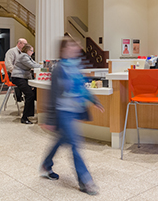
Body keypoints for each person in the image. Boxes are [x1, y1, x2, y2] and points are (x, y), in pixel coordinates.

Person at [40, 37, 105, 195]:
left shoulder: (75, 67)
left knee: (62, 139)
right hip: (63, 111)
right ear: (63, 50)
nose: (74, 48)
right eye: (70, 46)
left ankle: (46, 164)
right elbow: (53, 94)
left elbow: (81, 87)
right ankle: (85, 181)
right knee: (75, 144)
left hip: (74, 110)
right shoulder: (59, 68)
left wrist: (94, 100)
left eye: (74, 46)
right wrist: (49, 119)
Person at [11, 44, 41, 124]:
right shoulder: (23, 56)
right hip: (18, 78)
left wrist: (41, 65)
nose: (32, 52)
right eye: (31, 50)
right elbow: (33, 65)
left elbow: (35, 64)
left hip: (23, 78)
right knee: (30, 95)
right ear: (27, 50)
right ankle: (24, 118)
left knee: (34, 93)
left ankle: (30, 114)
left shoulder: (27, 57)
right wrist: (45, 66)